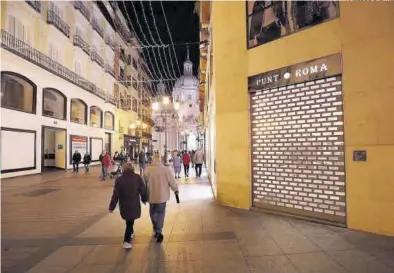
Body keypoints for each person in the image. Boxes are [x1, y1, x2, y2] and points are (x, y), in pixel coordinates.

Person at [109, 163, 147, 249]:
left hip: (124, 204)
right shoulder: (137, 177)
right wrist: (144, 199)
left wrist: (112, 207)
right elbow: (143, 190)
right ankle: (126, 240)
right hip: (134, 203)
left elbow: (115, 195)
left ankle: (131, 232)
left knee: (129, 220)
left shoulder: (119, 179)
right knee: (130, 222)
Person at [143, 154, 178, 243]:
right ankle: (158, 230)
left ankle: (156, 227)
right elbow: (172, 181)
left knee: (152, 213)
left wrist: (142, 193)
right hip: (162, 197)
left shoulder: (148, 169)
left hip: (151, 196)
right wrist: (175, 190)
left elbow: (144, 181)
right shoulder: (166, 169)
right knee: (161, 213)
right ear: (160, 160)